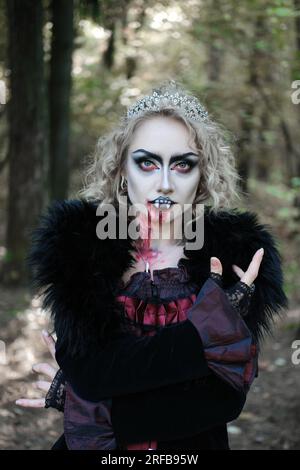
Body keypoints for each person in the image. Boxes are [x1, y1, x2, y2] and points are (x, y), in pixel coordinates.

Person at [17, 80, 288, 450]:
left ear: (203, 173)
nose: (164, 183)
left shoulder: (238, 254)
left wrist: (93, 410)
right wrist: (208, 330)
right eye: (147, 163)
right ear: (122, 170)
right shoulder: (79, 243)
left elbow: (221, 398)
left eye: (182, 165)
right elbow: (93, 374)